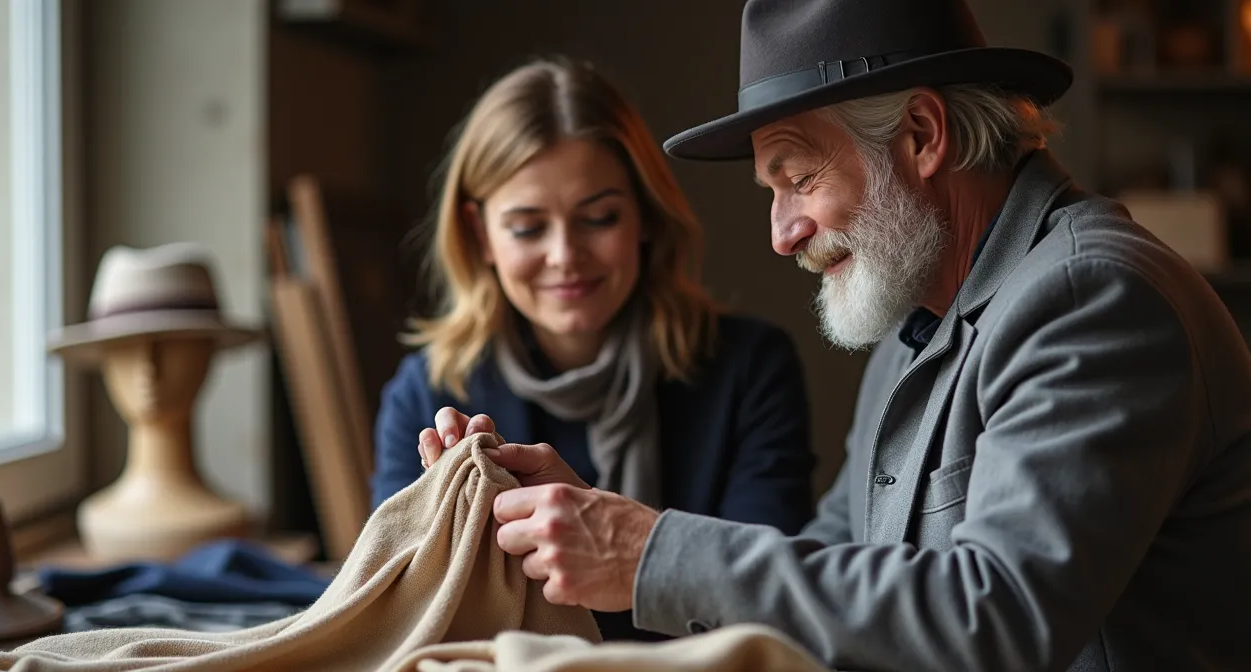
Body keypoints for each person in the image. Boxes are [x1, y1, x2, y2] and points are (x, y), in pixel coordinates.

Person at [420, 1, 1251, 670]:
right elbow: (832, 564)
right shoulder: (920, 317)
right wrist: (594, 526)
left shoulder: (1091, 296)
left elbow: (999, 616)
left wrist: (647, 553)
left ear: (924, 136)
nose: (782, 232)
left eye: (800, 177)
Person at [371, 57, 818, 642]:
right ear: (481, 235)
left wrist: (619, 548)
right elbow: (405, 618)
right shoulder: (429, 391)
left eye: (599, 217)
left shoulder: (751, 369)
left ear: (645, 217)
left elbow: (770, 611)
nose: (565, 255)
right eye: (529, 228)